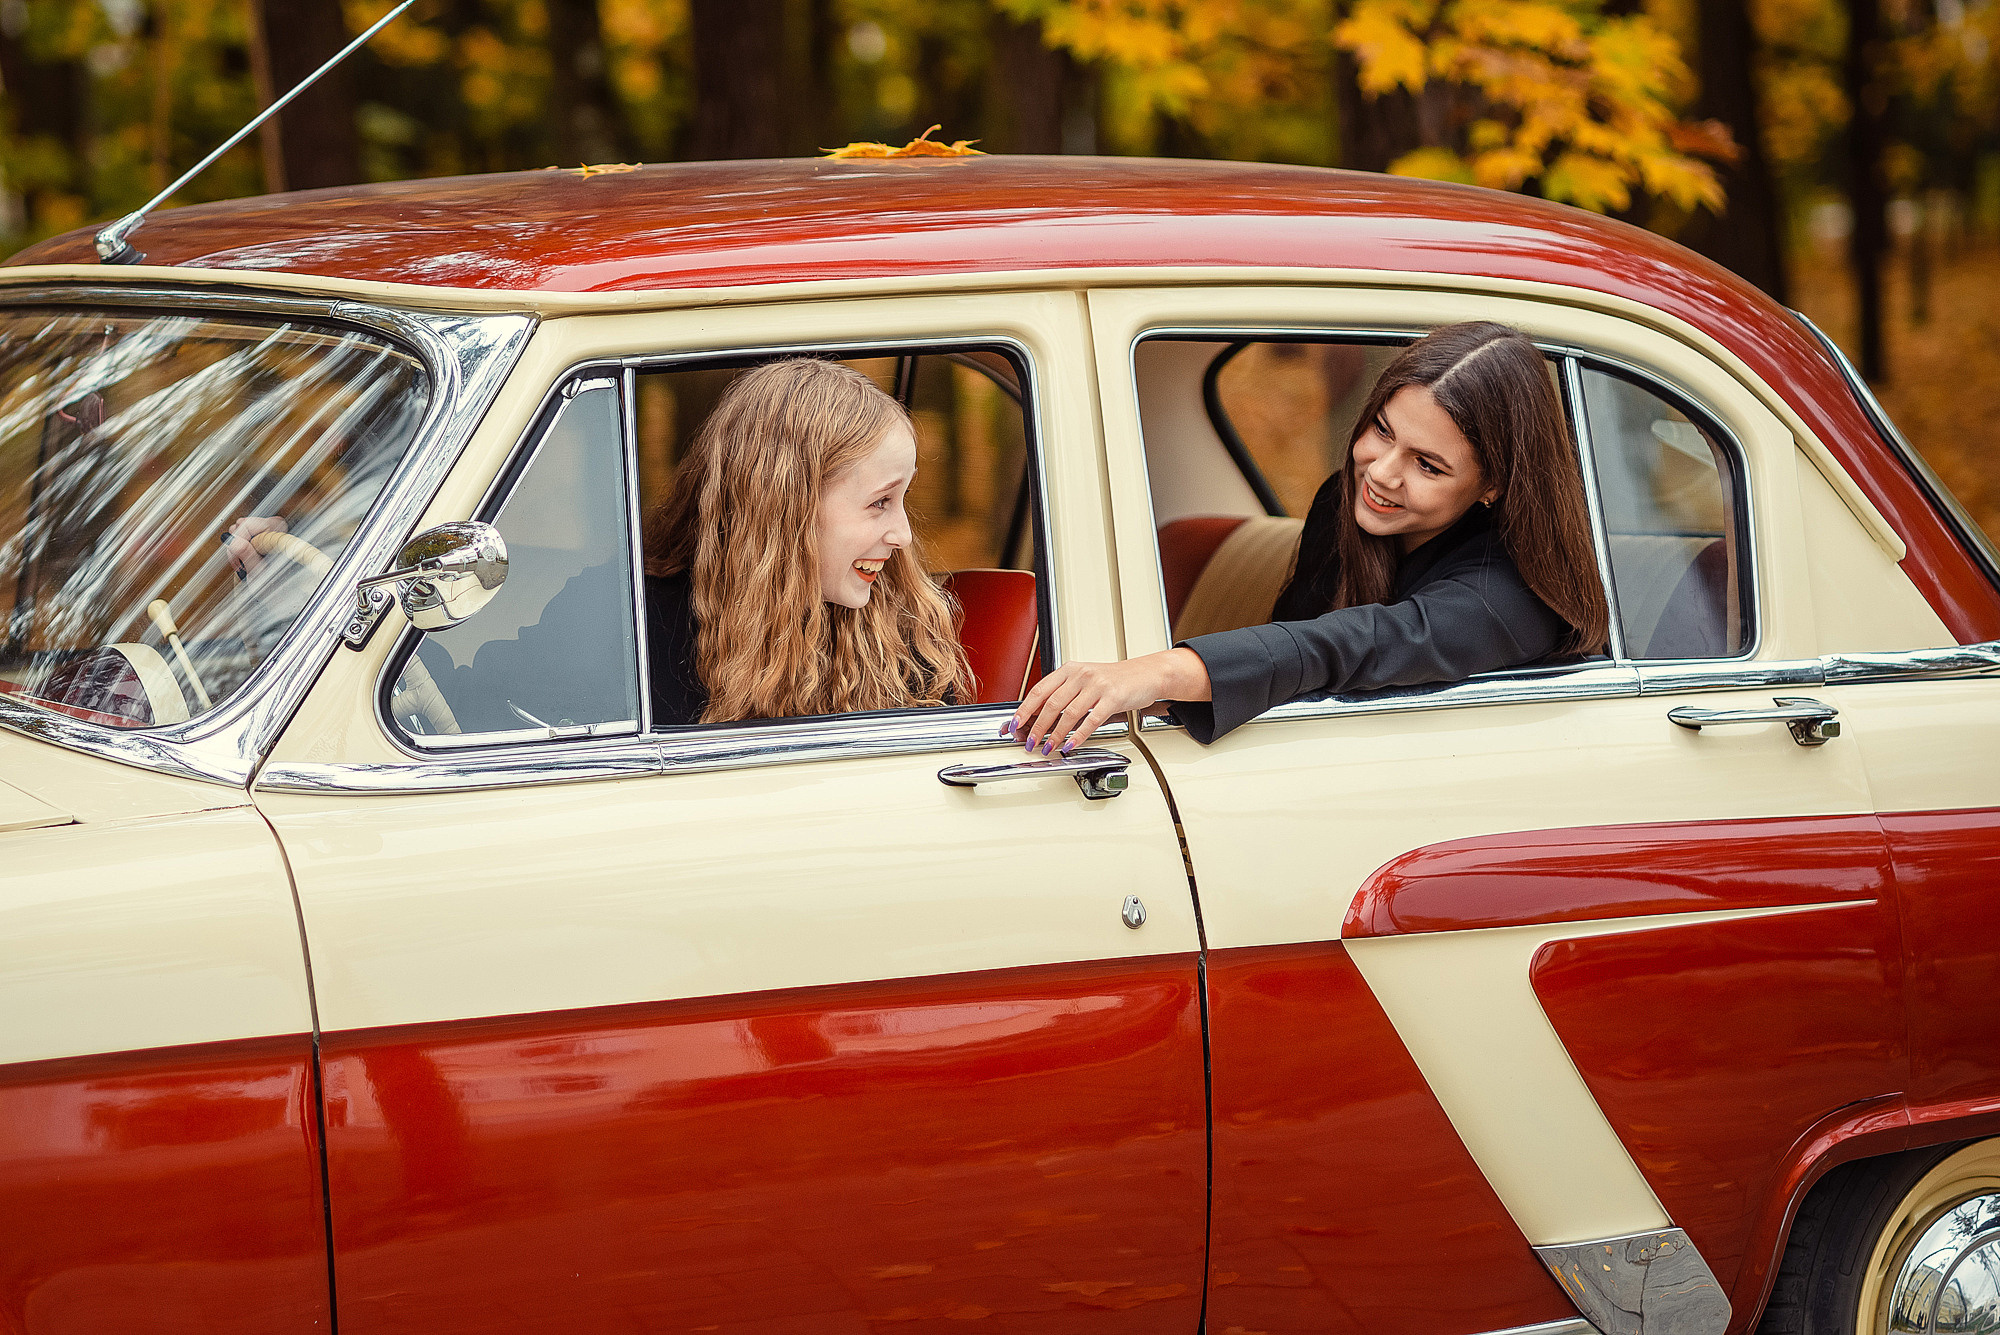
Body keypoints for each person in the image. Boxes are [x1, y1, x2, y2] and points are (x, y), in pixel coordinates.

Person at [1008, 320, 1610, 753]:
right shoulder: (1346, 501)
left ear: (1493, 486)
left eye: (1428, 465)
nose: (1381, 471)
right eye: (1381, 430)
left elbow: (1355, 643)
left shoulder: (1509, 596)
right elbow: (1297, 635)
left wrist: (1160, 673)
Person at [644, 357, 969, 725]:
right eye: (880, 502)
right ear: (788, 506)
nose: (903, 535)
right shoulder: (637, 633)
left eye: (902, 498)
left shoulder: (901, 636)